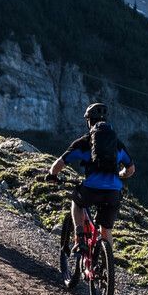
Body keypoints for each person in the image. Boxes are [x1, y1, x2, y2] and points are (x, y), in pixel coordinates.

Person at [48, 102, 136, 251]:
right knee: (106, 230)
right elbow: (131, 169)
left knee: (77, 201)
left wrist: (52, 175)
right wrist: (120, 174)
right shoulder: (117, 144)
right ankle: (107, 261)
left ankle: (79, 238)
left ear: (88, 121)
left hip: (91, 189)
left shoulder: (83, 142)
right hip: (113, 192)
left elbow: (60, 163)